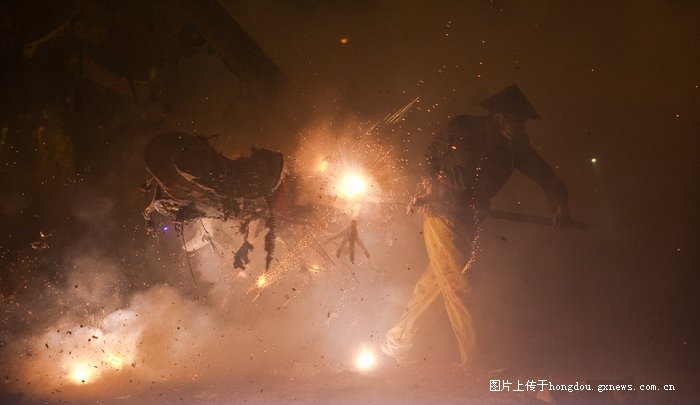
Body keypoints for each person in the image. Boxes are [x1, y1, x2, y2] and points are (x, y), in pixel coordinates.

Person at [382, 84, 572, 366]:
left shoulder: (515, 147)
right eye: (516, 120)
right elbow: (430, 157)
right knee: (460, 284)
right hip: (442, 214)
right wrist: (430, 192)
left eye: (522, 122)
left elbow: (545, 175)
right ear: (499, 116)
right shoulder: (463, 127)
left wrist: (559, 204)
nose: (521, 126)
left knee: (438, 283)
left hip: (469, 219)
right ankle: (477, 360)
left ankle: (397, 341)